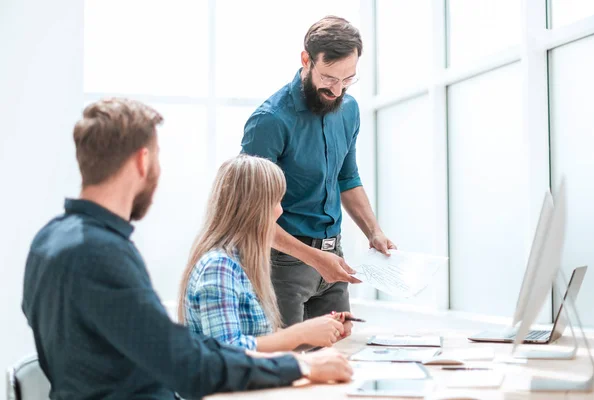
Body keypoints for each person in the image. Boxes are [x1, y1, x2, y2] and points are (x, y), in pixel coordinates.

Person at [21, 98, 352, 400]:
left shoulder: (48, 242)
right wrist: (302, 367)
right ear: (142, 161)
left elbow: (176, 348)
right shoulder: (100, 253)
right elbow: (189, 366)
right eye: (159, 159)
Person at [241, 16, 396, 327]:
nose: (337, 91)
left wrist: (374, 231)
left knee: (336, 359)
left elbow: (347, 178)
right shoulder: (269, 122)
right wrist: (315, 260)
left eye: (347, 80)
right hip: (281, 261)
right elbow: (251, 217)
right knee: (287, 363)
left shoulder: (349, 110)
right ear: (306, 60)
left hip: (333, 256)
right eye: (328, 78)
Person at [179, 155, 355, 352]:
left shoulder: (241, 264)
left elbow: (261, 341)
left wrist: (319, 331)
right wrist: (302, 334)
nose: (280, 211)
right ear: (254, 208)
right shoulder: (219, 266)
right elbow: (227, 351)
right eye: (277, 201)